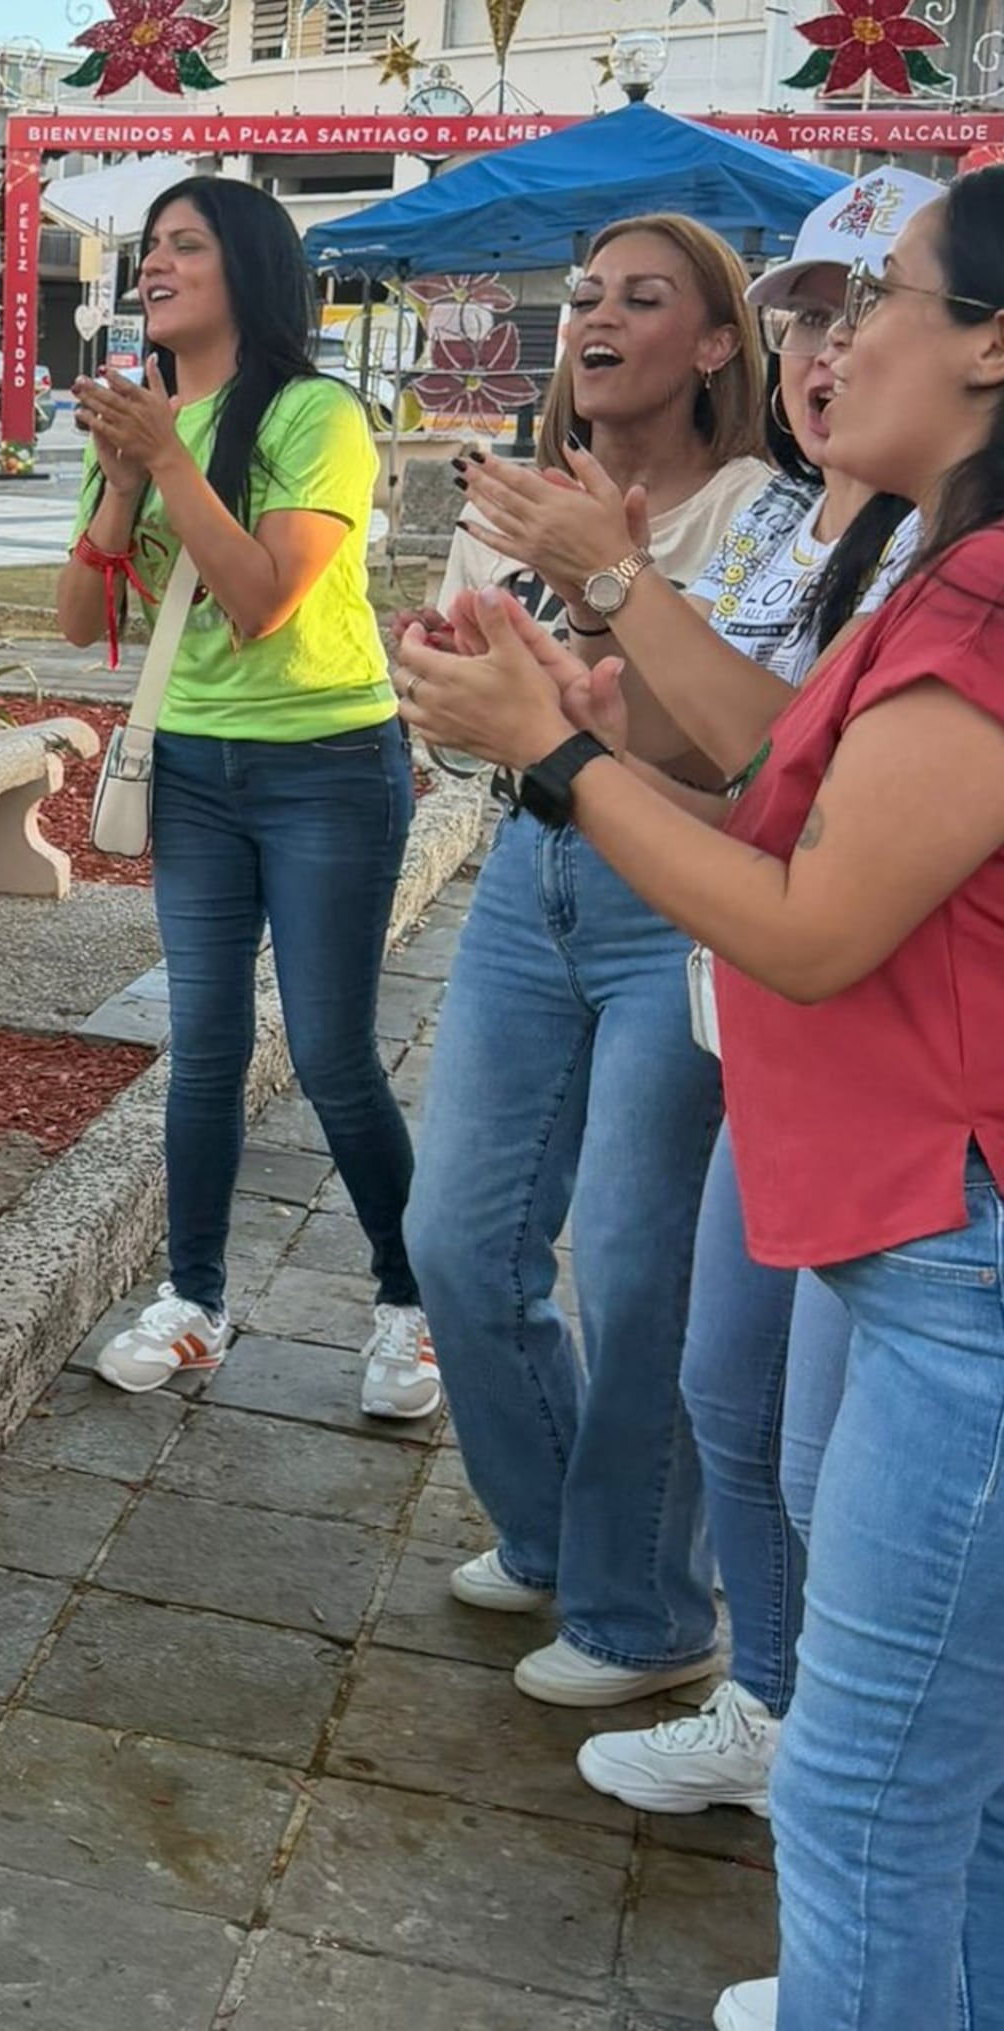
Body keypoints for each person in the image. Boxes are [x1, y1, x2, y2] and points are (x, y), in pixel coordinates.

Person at [395, 161, 1004, 2031]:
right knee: (929, 1779)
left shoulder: (977, 607)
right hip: (911, 1235)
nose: (849, 335)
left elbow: (813, 917)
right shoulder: (935, 571)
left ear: (992, 345)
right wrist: (602, 621)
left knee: (872, 1793)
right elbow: (771, 750)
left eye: (886, 292)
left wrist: (558, 758)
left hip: (956, 1247)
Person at [403, 214, 775, 1710]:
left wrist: (597, 613)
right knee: (456, 1238)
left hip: (670, 895)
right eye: (583, 297)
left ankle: (643, 1611)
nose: (597, 319)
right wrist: (447, 680)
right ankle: (563, 1536)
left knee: (633, 1266)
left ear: (711, 345)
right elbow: (463, 697)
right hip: (526, 868)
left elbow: (731, 762)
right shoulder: (517, 500)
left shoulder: (761, 510)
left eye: (643, 297)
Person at [54, 177, 434, 1417]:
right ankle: (195, 1301)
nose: (156, 265)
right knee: (203, 1051)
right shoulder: (146, 420)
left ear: (249, 271)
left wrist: (168, 459)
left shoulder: (315, 413)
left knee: (330, 1054)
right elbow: (76, 619)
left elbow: (263, 597)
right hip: (196, 770)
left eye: (186, 246)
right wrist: (122, 480)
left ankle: (410, 1305)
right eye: (150, 247)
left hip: (326, 763)